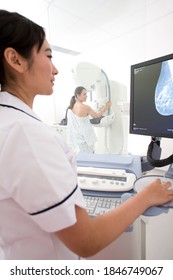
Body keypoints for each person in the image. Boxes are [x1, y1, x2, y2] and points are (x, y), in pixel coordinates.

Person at [0, 10, 173, 260]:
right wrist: (144, 198)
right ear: (15, 60)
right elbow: (86, 240)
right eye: (48, 55)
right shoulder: (26, 134)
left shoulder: (10, 122)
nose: (56, 69)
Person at [67, 86, 111, 153]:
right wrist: (106, 107)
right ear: (78, 95)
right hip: (86, 139)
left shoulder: (72, 106)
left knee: (83, 158)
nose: (86, 96)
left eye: (86, 94)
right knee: (89, 157)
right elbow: (97, 115)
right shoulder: (85, 107)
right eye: (84, 94)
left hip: (78, 138)